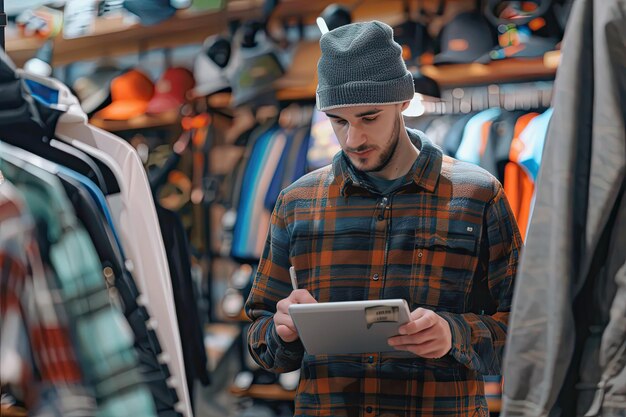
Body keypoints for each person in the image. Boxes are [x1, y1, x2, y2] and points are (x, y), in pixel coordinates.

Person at [245, 20, 522, 417]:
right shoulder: (296, 202)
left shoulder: (476, 195)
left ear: (403, 102)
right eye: (338, 121)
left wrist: (453, 335)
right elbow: (259, 337)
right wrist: (282, 330)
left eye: (368, 117)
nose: (353, 139)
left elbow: (527, 332)